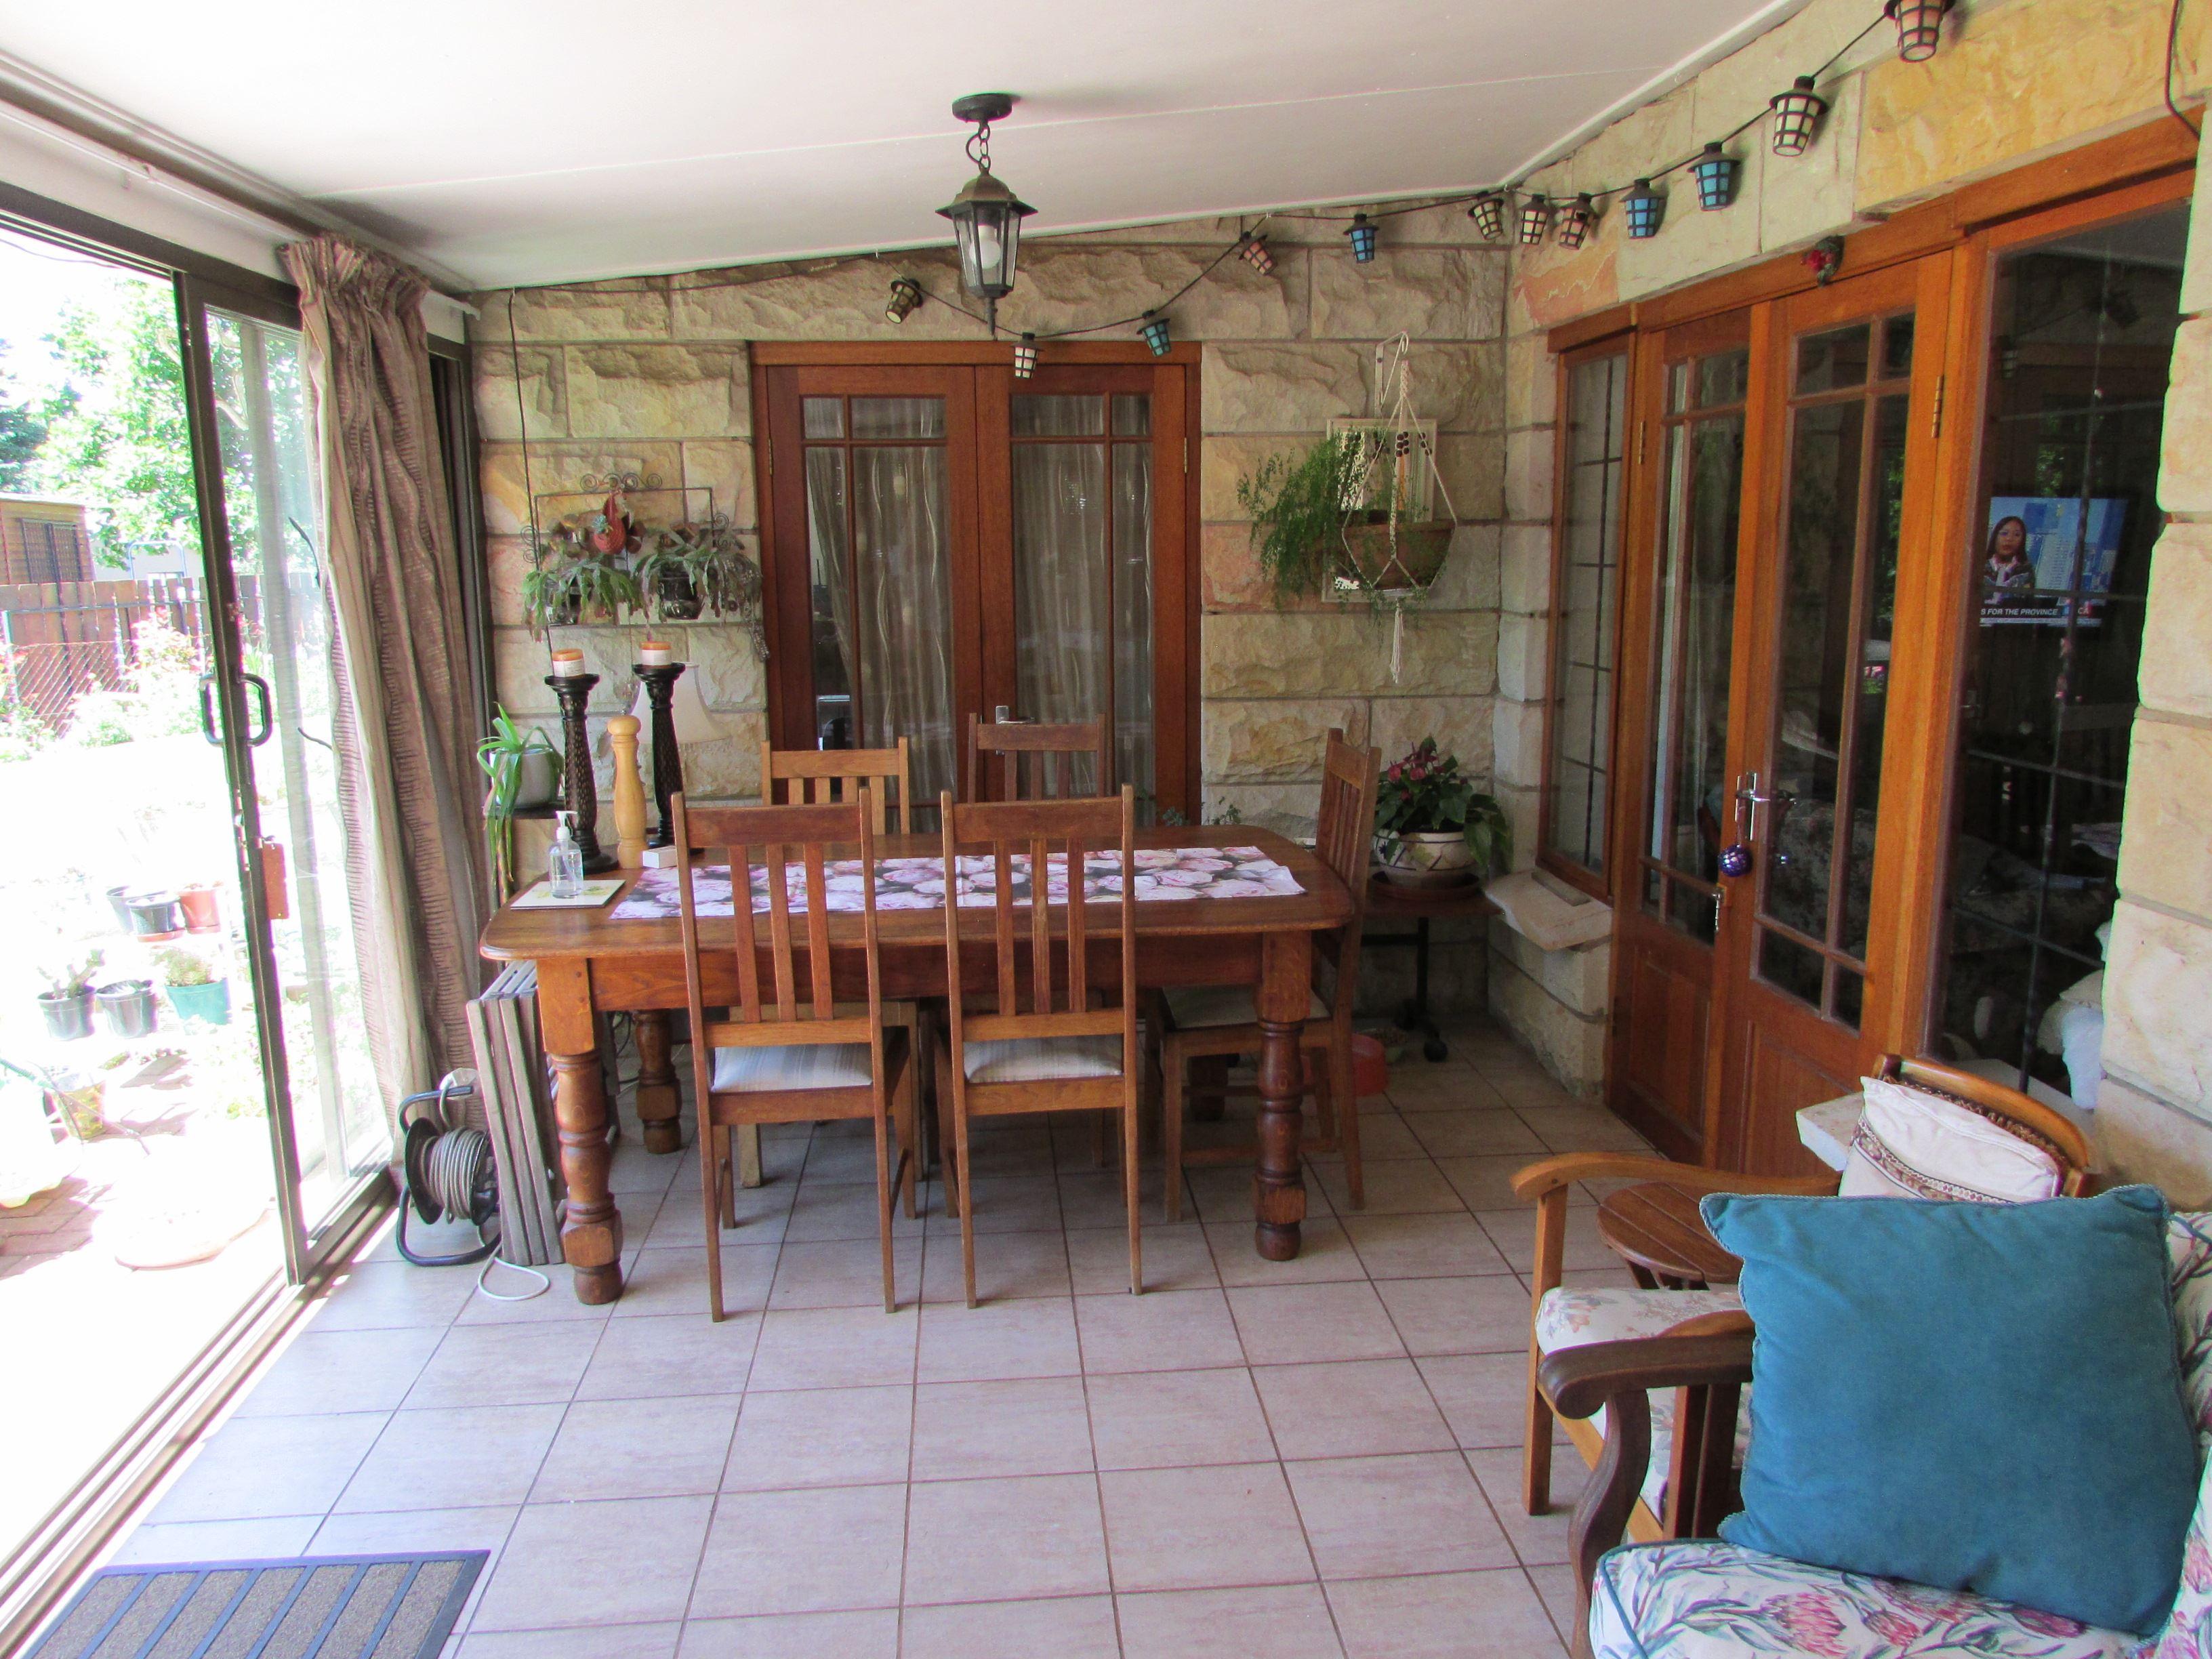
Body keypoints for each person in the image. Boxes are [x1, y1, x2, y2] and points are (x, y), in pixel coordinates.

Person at [1984, 514, 2035, 592]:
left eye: (2017, 535)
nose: (2009, 539)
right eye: (2004, 533)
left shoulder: (2026, 571)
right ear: (1995, 537)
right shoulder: (1980, 567)